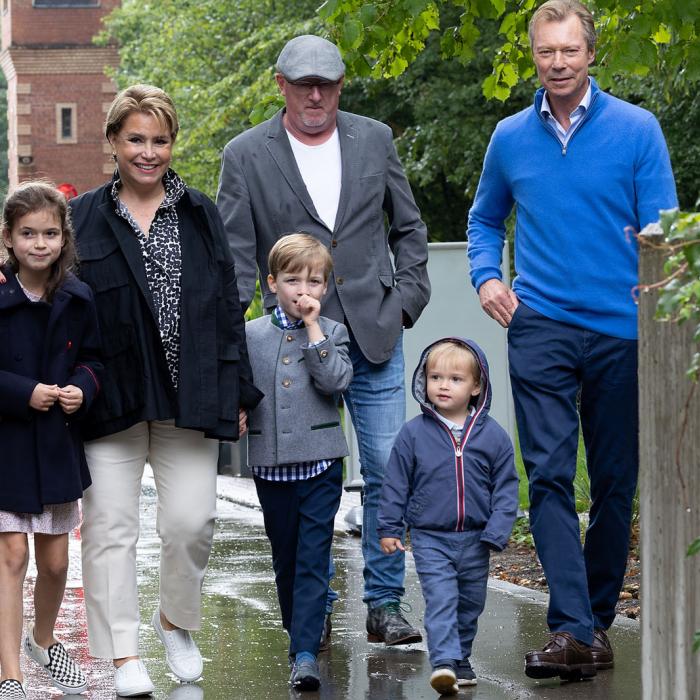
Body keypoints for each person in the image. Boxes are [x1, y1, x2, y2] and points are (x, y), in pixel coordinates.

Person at [467, 0, 677, 681]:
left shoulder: (637, 131)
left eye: (569, 51)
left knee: (616, 483)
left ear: (591, 55)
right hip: (542, 326)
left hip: (621, 328)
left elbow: (665, 232)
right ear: (533, 55)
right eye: (545, 52)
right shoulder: (509, 138)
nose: (557, 63)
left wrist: (659, 307)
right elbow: (483, 220)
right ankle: (572, 629)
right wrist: (486, 278)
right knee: (550, 474)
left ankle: (594, 621)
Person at [217, 34, 430, 646]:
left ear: (341, 86)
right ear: (279, 83)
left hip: (371, 335)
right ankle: (313, 599)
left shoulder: (375, 138)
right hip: (288, 349)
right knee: (305, 480)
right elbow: (235, 261)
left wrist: (406, 302)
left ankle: (385, 602)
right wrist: (234, 359)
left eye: (328, 83)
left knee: (389, 469)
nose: (316, 94)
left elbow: (409, 228)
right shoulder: (245, 154)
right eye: (303, 83)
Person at [67, 85, 263, 697]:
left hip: (190, 392)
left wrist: (236, 389)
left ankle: (175, 618)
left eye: (159, 140)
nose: (148, 153)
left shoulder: (200, 212)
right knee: (109, 528)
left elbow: (229, 307)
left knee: (190, 522)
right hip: (110, 396)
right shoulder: (82, 218)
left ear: (172, 143)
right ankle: (124, 655)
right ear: (113, 142)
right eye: (135, 140)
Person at [0, 182, 103, 698]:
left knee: (57, 562)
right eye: (27, 234)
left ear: (64, 238)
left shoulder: (78, 299)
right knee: (12, 555)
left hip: (58, 445)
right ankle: (9, 673)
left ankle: (43, 642)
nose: (39, 243)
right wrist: (25, 392)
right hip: (9, 447)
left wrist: (80, 389)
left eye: (49, 233)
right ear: (9, 238)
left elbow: (95, 359)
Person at [378, 339, 518, 695]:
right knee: (442, 599)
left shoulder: (493, 437)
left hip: (476, 538)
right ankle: (443, 662)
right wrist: (391, 526)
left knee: (470, 603)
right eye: (435, 376)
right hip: (430, 537)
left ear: (475, 387)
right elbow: (395, 482)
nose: (443, 385)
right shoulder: (414, 434)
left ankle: (461, 659)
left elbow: (506, 488)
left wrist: (497, 530)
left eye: (455, 379)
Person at [245, 233, 353, 691]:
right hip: (271, 465)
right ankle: (299, 636)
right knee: (286, 559)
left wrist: (313, 331)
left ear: (325, 287)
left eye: (313, 281)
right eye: (292, 280)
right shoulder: (250, 334)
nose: (302, 290)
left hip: (321, 464)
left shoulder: (332, 332)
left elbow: (335, 382)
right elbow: (240, 387)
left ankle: (305, 653)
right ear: (272, 283)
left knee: (313, 557)